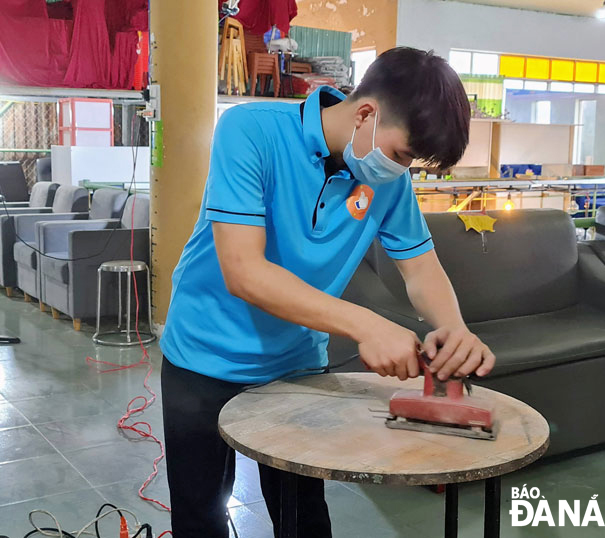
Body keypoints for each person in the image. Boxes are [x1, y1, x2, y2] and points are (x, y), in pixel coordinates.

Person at [160, 46, 496, 537]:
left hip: (296, 366)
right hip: (202, 358)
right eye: (403, 154)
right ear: (366, 114)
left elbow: (421, 271)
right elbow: (244, 271)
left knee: (304, 520)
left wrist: (455, 332)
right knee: (201, 516)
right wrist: (367, 325)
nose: (402, 169)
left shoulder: (388, 181)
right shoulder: (250, 131)